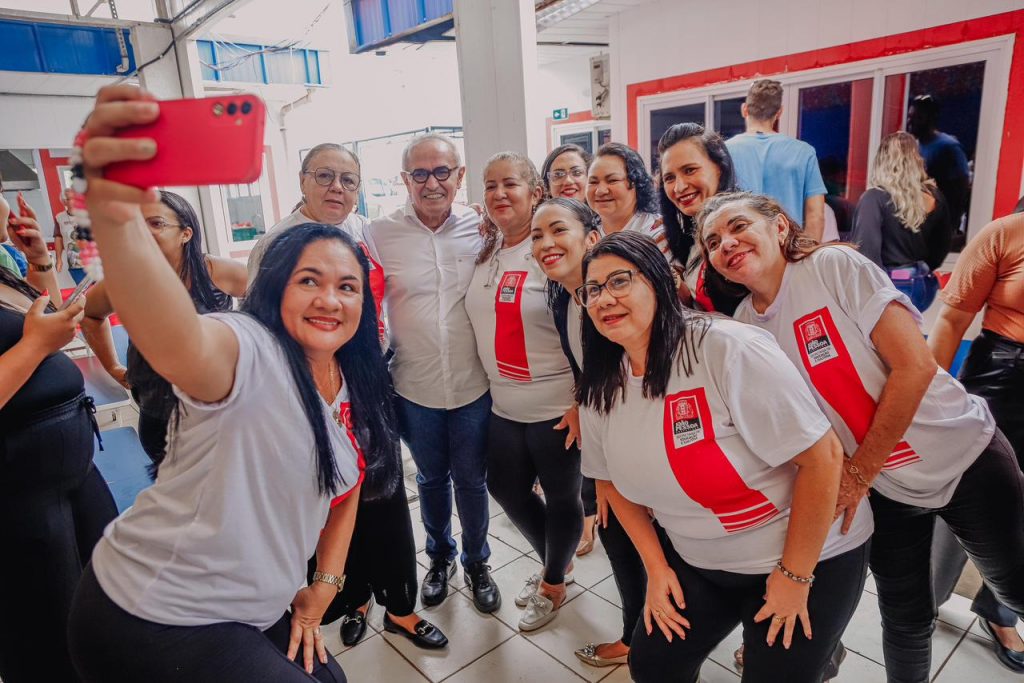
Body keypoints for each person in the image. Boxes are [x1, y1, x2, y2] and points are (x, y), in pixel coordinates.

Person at [66, 85, 401, 682]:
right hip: (154, 611)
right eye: (309, 281)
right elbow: (179, 338)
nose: (329, 299)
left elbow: (346, 485)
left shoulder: (354, 381)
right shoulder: (248, 349)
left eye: (346, 286)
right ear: (273, 290)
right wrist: (116, 216)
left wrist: (325, 585)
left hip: (251, 607)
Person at [699, 190, 1024, 683]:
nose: (726, 243)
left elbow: (915, 367)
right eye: (712, 241)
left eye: (738, 226)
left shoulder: (832, 267)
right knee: (904, 615)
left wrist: (857, 474)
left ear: (780, 227)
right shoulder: (746, 326)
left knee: (1015, 588)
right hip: (883, 489)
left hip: (963, 456)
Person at [576, 230, 871, 683]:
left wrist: (794, 577)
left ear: (658, 281)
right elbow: (610, 483)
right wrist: (656, 570)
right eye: (592, 290)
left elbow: (822, 457)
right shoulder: (601, 386)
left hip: (808, 556)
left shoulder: (725, 348)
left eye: (619, 281)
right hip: (700, 562)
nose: (604, 299)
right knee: (653, 667)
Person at [364, 133, 500, 614]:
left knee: (472, 480)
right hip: (413, 386)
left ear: (459, 176)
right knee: (430, 479)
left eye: (442, 172)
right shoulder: (379, 233)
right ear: (405, 180)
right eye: (419, 174)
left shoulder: (482, 229)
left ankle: (477, 562)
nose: (431, 183)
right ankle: (439, 558)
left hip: (473, 384)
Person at [466, 152, 582, 631]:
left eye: (510, 184)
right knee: (506, 489)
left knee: (562, 498)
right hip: (503, 403)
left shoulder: (550, 253)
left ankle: (553, 581)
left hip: (556, 405)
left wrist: (583, 401)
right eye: (490, 185)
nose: (499, 194)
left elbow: (591, 329)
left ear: (535, 192)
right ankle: (559, 560)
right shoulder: (486, 250)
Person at [0, 198, 112, 683]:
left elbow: (46, 320)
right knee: (49, 632)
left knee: (108, 598)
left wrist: (40, 263)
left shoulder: (5, 268)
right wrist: (34, 345)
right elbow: (34, 341)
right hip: (20, 491)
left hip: (72, 471)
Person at [531, 197, 645, 666]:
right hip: (606, 439)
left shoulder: (614, 299)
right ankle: (640, 637)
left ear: (593, 238)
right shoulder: (565, 297)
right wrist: (581, 403)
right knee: (620, 538)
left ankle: (642, 642)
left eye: (558, 230)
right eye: (537, 236)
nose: (546, 243)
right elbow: (590, 370)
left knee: (632, 540)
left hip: (640, 442)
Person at [79, 190, 245, 473]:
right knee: (176, 490)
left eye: (155, 223)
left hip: (220, 410)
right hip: (158, 411)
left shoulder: (217, 271)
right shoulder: (124, 278)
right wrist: (113, 367)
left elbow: (275, 306)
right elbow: (90, 315)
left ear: (186, 234)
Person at [927, 206, 1024, 673]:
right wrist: (926, 404)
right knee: (963, 492)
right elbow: (950, 322)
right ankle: (924, 600)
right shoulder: (1005, 234)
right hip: (1001, 375)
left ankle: (999, 611)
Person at [248, 144, 384, 318]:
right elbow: (259, 317)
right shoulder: (275, 243)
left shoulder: (365, 229)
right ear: (302, 182)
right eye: (324, 176)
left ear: (357, 191)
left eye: (348, 180)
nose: (337, 187)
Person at [850, 132, 952, 312]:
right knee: (910, 329)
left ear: (881, 161)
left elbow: (866, 253)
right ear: (917, 161)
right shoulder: (935, 197)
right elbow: (942, 246)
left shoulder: (874, 198)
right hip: (923, 285)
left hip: (890, 286)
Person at [657, 122, 745, 315]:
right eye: (669, 178)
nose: (679, 187)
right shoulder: (693, 235)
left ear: (719, 168)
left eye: (690, 170)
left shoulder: (744, 231)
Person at [726, 79, 827, 240]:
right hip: (787, 246)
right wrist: (807, 253)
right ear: (779, 112)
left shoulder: (724, 151)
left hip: (740, 246)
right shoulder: (804, 152)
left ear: (744, 110)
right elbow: (816, 216)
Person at [907, 94, 971, 245]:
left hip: (938, 229)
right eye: (910, 117)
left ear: (931, 119)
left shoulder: (949, 147)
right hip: (918, 225)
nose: (910, 122)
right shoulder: (914, 146)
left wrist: (948, 230)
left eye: (918, 118)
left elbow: (961, 190)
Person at [586, 142, 668, 251]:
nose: (600, 191)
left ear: (637, 183)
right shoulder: (585, 235)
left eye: (612, 180)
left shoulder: (658, 235)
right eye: (593, 182)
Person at [54, 189, 88, 285]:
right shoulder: (60, 218)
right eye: (70, 199)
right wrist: (59, 260)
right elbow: (58, 238)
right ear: (64, 202)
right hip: (75, 264)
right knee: (83, 290)